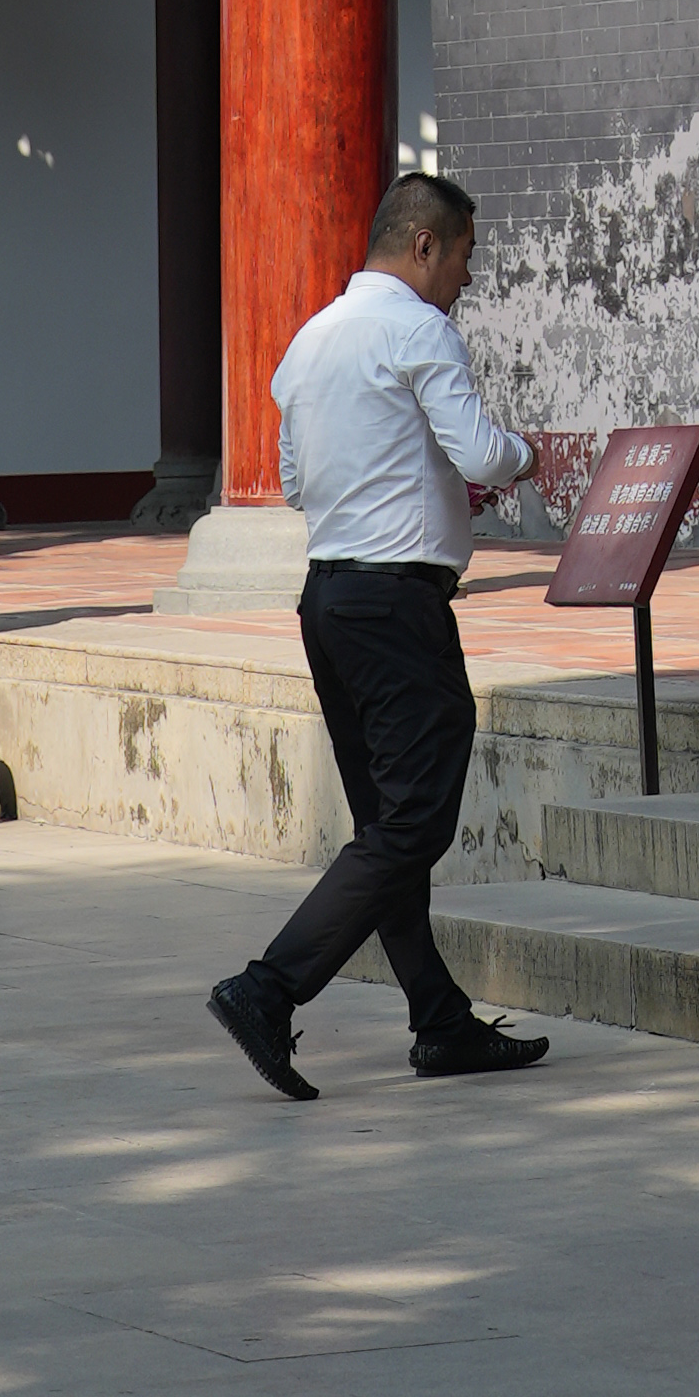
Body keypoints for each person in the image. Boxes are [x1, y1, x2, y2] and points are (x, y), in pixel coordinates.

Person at [206, 170, 553, 1099]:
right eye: (466, 257)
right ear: (425, 245)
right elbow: (481, 451)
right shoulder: (417, 328)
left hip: (328, 599)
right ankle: (269, 988)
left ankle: (439, 1021)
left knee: (384, 821)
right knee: (414, 820)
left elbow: (293, 480)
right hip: (398, 606)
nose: (468, 281)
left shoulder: (312, 338)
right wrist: (524, 454)